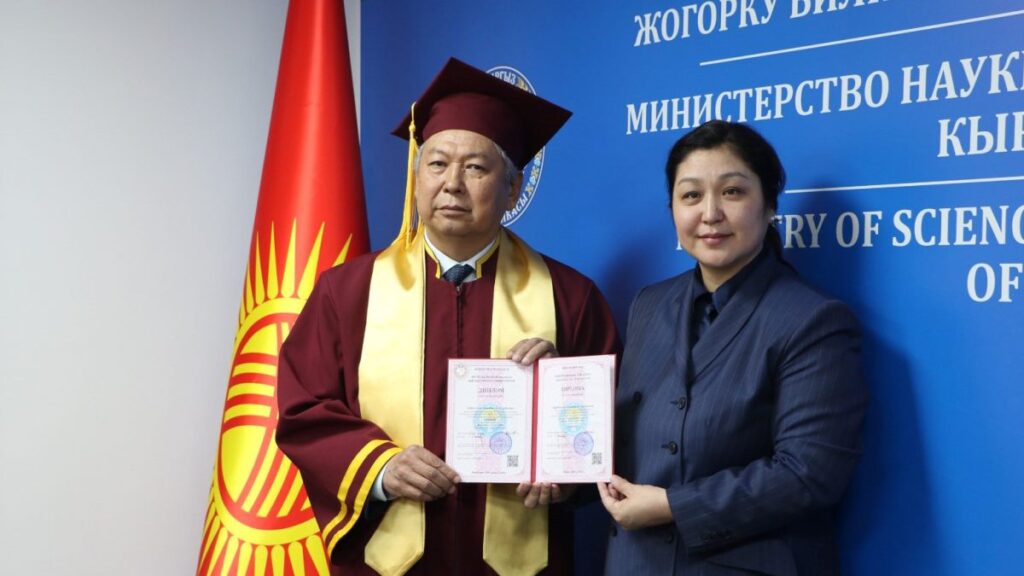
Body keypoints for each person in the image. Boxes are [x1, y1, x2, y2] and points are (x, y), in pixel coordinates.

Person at [276, 57, 620, 576]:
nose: (452, 183)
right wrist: (380, 467)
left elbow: (615, 428)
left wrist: (565, 459)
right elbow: (305, 408)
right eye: (436, 164)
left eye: (476, 168)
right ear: (416, 179)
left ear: (512, 189)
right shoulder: (347, 293)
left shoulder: (569, 298)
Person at [599, 120, 866, 575]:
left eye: (732, 192)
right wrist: (548, 390)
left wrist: (673, 507)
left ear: (770, 204)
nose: (710, 213)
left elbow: (808, 473)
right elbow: (623, 436)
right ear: (672, 209)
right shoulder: (649, 304)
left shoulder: (814, 320)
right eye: (691, 195)